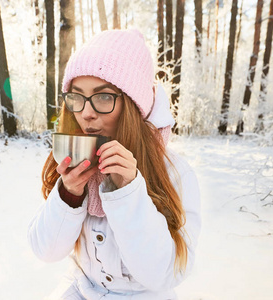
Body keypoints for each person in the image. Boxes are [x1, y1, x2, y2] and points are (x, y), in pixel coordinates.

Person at [28, 29, 201, 300]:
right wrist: (69, 195)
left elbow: (167, 274)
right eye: (76, 97)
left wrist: (129, 191)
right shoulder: (74, 160)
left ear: (132, 105)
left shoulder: (174, 172)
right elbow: (46, 251)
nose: (86, 113)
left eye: (104, 96)